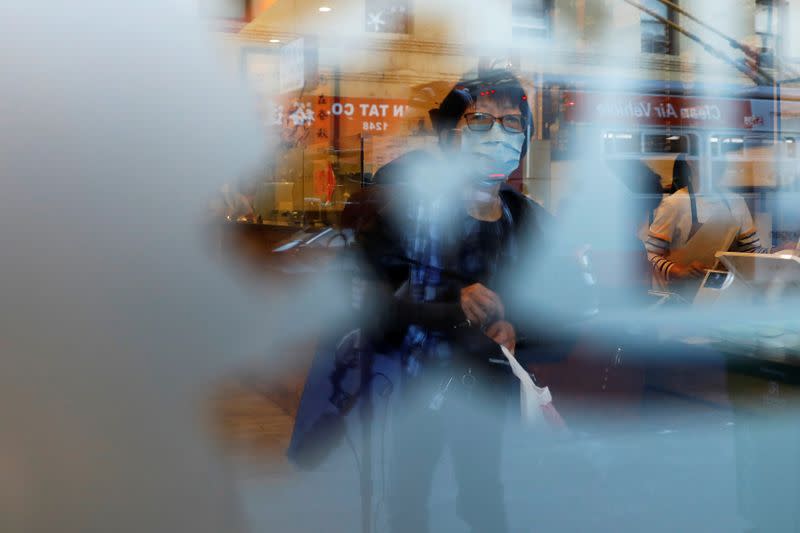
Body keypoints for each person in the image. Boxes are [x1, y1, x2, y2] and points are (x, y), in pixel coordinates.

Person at [349, 69, 585, 533]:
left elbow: (567, 311)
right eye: (480, 121)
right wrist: (453, 311)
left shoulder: (528, 221)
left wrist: (517, 326)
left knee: (485, 496)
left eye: (512, 122)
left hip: (490, 394)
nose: (498, 134)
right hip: (416, 391)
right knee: (408, 499)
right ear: (449, 136)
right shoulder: (406, 217)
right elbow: (368, 312)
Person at [644, 156, 769, 291]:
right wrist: (679, 271)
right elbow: (650, 255)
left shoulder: (736, 202)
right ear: (691, 161)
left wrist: (780, 252)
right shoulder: (675, 203)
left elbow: (750, 252)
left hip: (724, 293)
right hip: (684, 295)